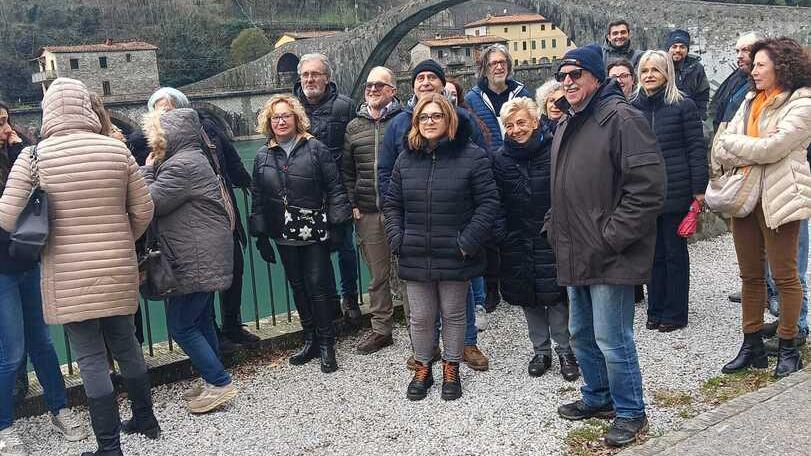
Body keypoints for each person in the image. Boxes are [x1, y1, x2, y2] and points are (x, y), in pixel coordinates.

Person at [0, 78, 159, 456]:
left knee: (89, 356)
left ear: (48, 110)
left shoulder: (34, 157)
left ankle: (109, 447)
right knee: (126, 342)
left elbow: (6, 219)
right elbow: (144, 210)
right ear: (86, 107)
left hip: (68, 275)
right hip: (117, 266)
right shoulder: (116, 151)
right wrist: (121, 238)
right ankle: (146, 419)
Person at [544, 45, 665, 447]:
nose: (568, 81)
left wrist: (611, 237)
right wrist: (552, 225)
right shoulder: (568, 122)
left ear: (597, 76)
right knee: (581, 334)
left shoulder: (622, 119)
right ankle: (597, 398)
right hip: (576, 248)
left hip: (611, 253)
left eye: (576, 74)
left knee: (613, 339)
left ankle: (631, 411)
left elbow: (647, 191)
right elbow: (565, 187)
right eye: (563, 75)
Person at [384, 94, 499, 401]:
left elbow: (488, 204)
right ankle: (423, 366)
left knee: (453, 312)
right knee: (420, 317)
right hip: (415, 250)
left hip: (455, 251)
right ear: (416, 123)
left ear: (449, 120)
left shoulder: (471, 156)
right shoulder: (405, 158)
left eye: (437, 116)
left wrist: (467, 242)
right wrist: (397, 238)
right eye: (424, 117)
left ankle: (451, 365)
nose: (430, 121)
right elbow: (392, 203)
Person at [714, 37, 811, 379]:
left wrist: (738, 146)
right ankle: (751, 344)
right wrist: (743, 147)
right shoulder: (750, 99)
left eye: (759, 65)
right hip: (746, 196)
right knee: (750, 276)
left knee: (785, 276)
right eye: (752, 64)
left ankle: (788, 347)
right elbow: (720, 144)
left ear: (780, 67)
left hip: (781, 196)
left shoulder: (802, 102)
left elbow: (775, 147)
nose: (752, 70)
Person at [0, 100, 88, 455]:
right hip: (1, 271)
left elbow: (36, 191)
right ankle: (4, 426)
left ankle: (59, 408)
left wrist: (18, 149)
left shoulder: (21, 152)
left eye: (5, 119)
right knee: (11, 351)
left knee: (43, 343)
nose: (5, 127)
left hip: (27, 260)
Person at [141, 107, 238, 412]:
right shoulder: (192, 158)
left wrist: (146, 168)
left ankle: (219, 382)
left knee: (181, 325)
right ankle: (213, 379)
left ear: (169, 135)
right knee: (200, 319)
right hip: (202, 253)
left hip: (196, 257)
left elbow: (149, 202)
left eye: (157, 135)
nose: (154, 142)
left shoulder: (181, 165)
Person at [146, 87, 257, 351]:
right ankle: (214, 339)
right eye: (159, 111)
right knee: (197, 290)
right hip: (182, 230)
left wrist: (250, 186)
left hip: (218, 215)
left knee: (231, 273)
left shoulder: (210, 131)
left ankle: (231, 326)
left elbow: (231, 163)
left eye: (169, 111)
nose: (165, 117)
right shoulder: (147, 140)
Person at [250, 94, 352, 373]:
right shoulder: (262, 156)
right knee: (297, 285)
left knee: (318, 285)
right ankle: (310, 339)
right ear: (269, 123)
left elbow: (334, 187)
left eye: (286, 116)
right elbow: (258, 197)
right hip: (282, 232)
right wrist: (260, 236)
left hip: (314, 230)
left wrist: (338, 225)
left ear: (296, 118)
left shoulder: (315, 148)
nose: (281, 121)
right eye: (276, 117)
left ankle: (327, 343)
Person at [492, 96, 580, 381]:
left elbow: (566, 191)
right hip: (516, 237)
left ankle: (565, 349)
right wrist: (502, 232)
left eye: (521, 123)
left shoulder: (553, 149)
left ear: (534, 121)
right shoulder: (499, 159)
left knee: (555, 296)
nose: (516, 129)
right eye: (509, 125)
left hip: (549, 234)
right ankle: (540, 350)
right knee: (528, 298)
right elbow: (495, 200)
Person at [632, 50, 708, 332]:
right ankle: (655, 309)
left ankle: (675, 312)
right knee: (652, 255)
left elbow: (695, 149)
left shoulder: (682, 105)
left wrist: (699, 190)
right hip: (645, 192)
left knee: (674, 254)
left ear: (667, 73)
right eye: (645, 70)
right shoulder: (633, 107)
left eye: (655, 70)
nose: (650, 75)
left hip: (676, 189)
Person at [293, 54, 360, 327]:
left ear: (327, 78)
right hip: (304, 195)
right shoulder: (291, 109)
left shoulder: (345, 107)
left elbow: (354, 151)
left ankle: (351, 298)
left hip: (338, 191)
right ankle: (328, 305)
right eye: (306, 75)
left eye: (316, 74)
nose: (310, 79)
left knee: (345, 248)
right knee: (315, 252)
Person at [464, 44, 529, 316]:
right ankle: (492, 287)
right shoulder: (473, 98)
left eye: (503, 62)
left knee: (519, 222)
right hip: (488, 167)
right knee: (489, 228)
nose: (499, 67)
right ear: (485, 68)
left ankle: (519, 280)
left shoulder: (521, 93)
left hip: (518, 163)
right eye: (493, 64)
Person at [342, 67, 402, 354]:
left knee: (409, 272)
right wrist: (354, 202)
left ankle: (421, 329)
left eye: (380, 85)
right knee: (378, 275)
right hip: (367, 211)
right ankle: (381, 330)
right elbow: (347, 170)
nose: (373, 89)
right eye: (369, 85)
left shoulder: (405, 121)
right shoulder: (354, 126)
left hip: (401, 211)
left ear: (393, 90)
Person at [711, 32, 765, 134]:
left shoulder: (766, 83)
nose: (739, 56)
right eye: (737, 51)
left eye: (745, 50)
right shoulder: (737, 76)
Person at [665, 29, 710, 120]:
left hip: (690, 118)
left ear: (687, 50)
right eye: (674, 46)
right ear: (668, 49)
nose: (678, 50)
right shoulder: (661, 67)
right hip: (665, 118)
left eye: (682, 47)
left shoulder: (697, 69)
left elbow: (703, 96)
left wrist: (700, 118)